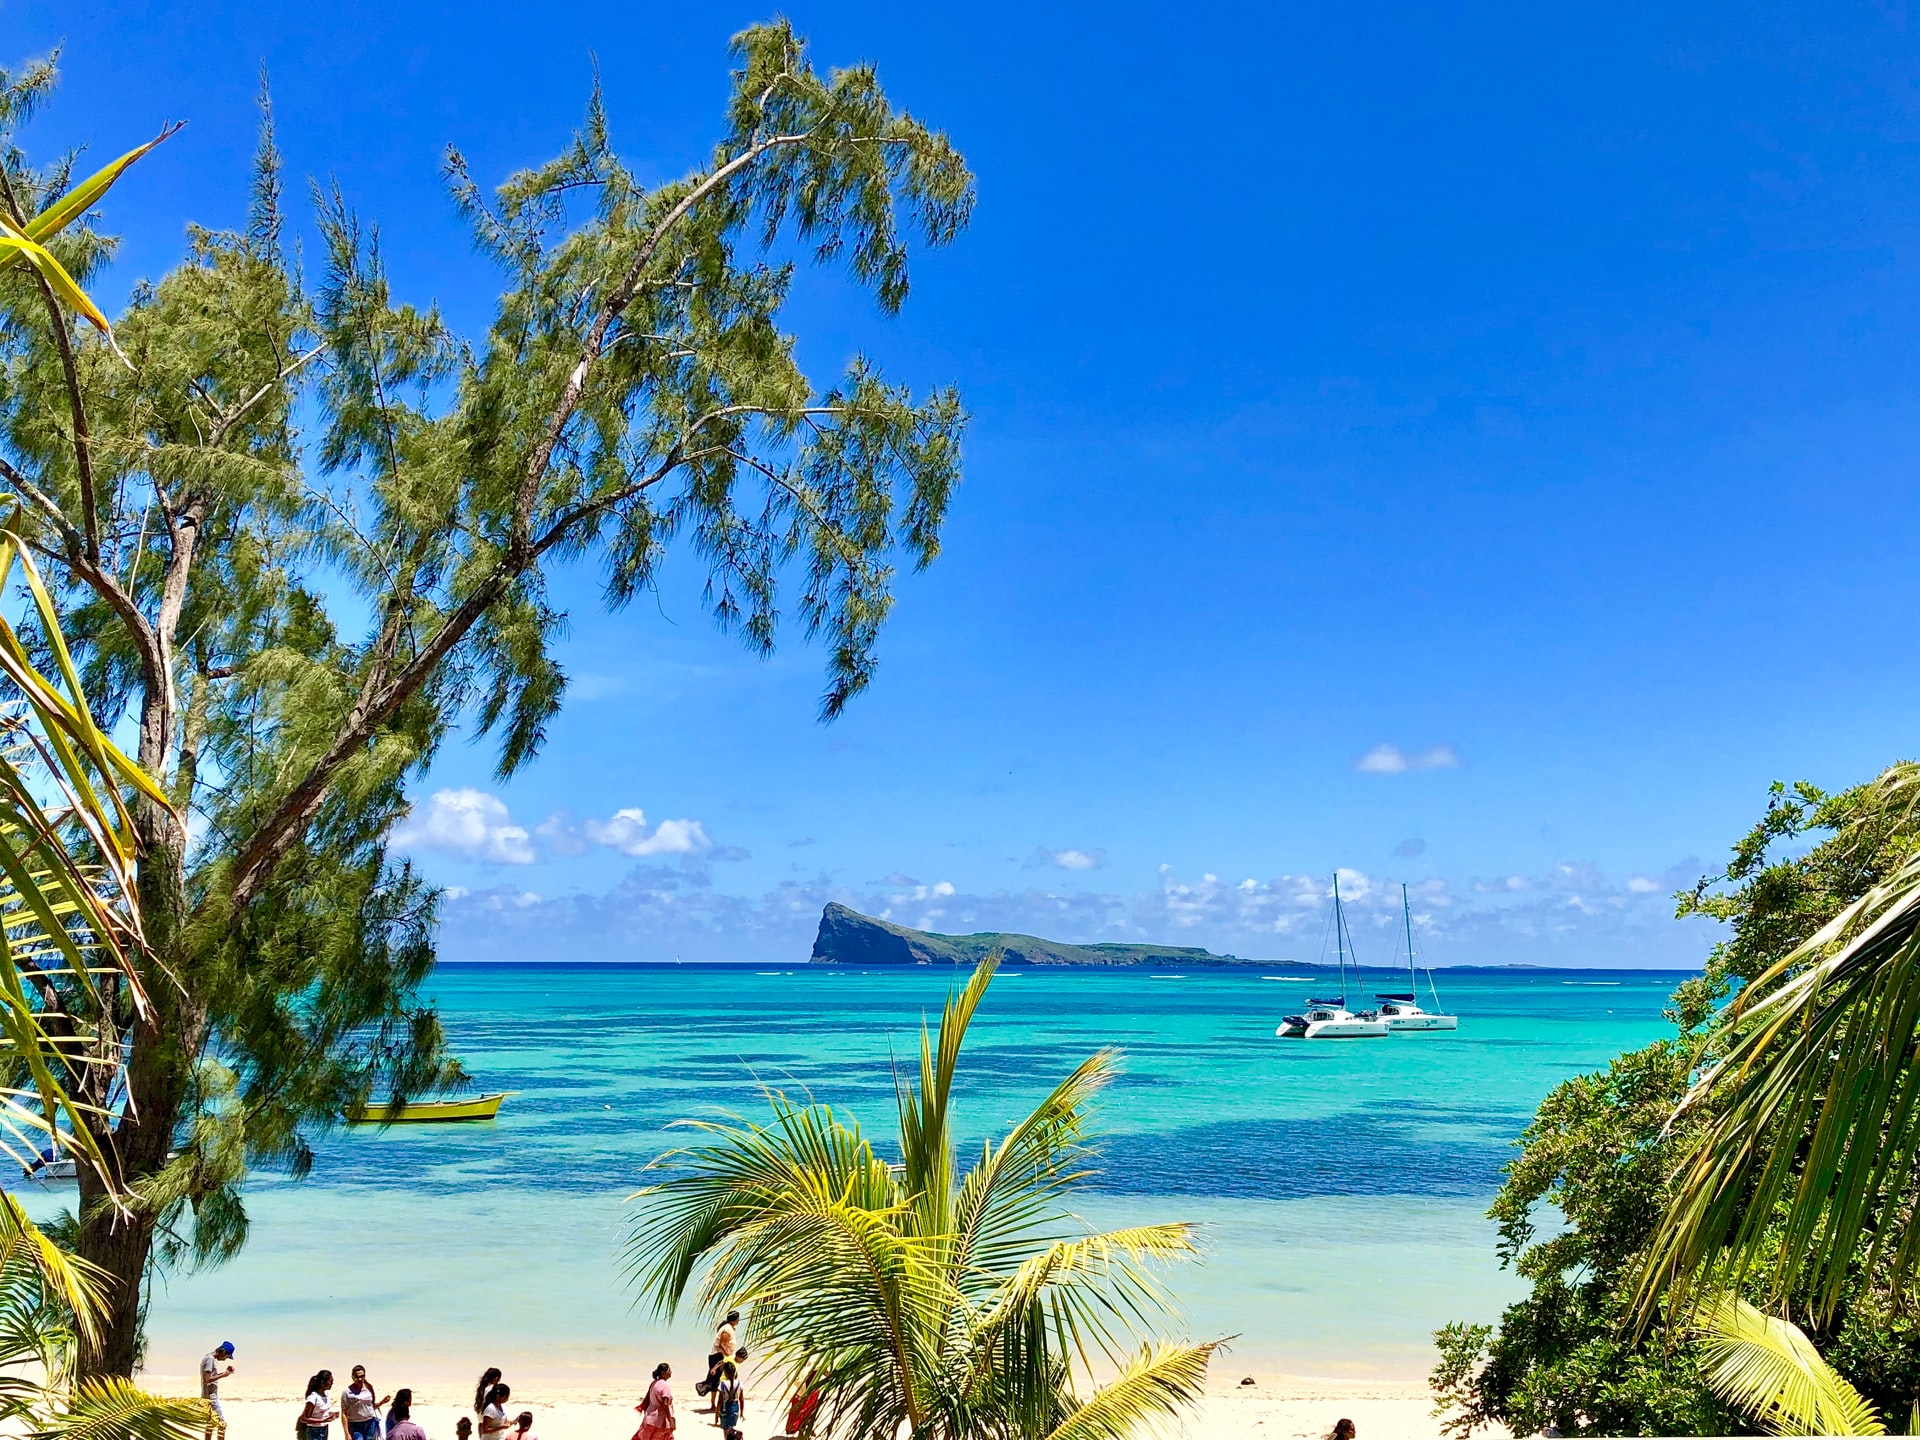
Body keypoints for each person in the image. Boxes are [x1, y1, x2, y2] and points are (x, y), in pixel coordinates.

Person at [696, 1311, 738, 1401]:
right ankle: (714, 1401)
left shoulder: (729, 1328)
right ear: (734, 1320)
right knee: (717, 1380)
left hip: (719, 1355)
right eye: (738, 1319)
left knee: (716, 1380)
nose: (738, 1321)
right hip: (719, 1356)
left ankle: (717, 1402)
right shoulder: (727, 1329)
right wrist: (727, 1356)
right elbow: (722, 1345)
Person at [341, 1365, 392, 1440]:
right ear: (352, 1377)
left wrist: (382, 1402)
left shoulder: (369, 1388)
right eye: (357, 1377)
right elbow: (343, 1413)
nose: (360, 1379)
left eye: (362, 1376)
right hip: (355, 1425)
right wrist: (347, 1433)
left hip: (370, 1423)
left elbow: (371, 1407)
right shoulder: (347, 1392)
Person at [199, 1341, 235, 1440]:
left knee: (210, 1423)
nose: (224, 1360)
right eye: (226, 1357)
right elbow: (207, 1379)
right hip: (211, 1397)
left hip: (206, 1396)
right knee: (222, 1423)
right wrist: (224, 1375)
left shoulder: (207, 1357)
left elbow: (210, 1377)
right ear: (223, 1352)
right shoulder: (210, 1359)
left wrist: (225, 1372)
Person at [633, 1363, 675, 1440]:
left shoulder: (654, 1383)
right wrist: (670, 1420)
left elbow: (648, 1399)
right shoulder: (664, 1386)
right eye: (669, 1370)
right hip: (660, 1420)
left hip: (649, 1418)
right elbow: (666, 1405)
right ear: (663, 1373)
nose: (671, 1372)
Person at [299, 1372, 337, 1440]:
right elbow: (304, 1418)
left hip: (324, 1428)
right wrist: (322, 1420)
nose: (332, 1383)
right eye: (330, 1381)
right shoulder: (313, 1397)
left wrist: (331, 1414)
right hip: (314, 1430)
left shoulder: (325, 1395)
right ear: (323, 1383)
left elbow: (320, 1411)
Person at [712, 1360, 744, 1439]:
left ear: (725, 1373)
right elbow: (742, 1400)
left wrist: (716, 1415)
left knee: (726, 1431)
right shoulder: (739, 1383)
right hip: (735, 1408)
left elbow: (719, 1402)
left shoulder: (722, 1384)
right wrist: (742, 1413)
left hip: (724, 1408)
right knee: (731, 1428)